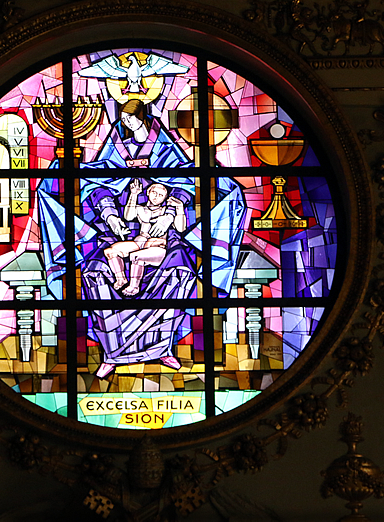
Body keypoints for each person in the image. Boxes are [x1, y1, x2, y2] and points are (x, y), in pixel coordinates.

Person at [37, 98, 246, 379]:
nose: (127, 124)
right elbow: (98, 184)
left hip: (166, 238)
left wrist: (172, 212)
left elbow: (185, 181)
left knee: (179, 272)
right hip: (117, 231)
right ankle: (111, 353)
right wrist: (110, 215)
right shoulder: (115, 143)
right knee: (94, 271)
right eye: (123, 119)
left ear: (145, 118)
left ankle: (163, 348)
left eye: (131, 119)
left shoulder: (164, 146)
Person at [104, 179, 186, 297]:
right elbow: (128, 216)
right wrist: (133, 194)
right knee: (110, 251)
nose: (156, 197)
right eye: (154, 193)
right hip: (140, 241)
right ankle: (121, 279)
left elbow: (181, 228)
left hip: (158, 246)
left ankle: (134, 287)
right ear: (148, 192)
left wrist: (179, 208)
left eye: (161, 195)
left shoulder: (167, 213)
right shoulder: (140, 209)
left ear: (165, 198)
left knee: (136, 256)